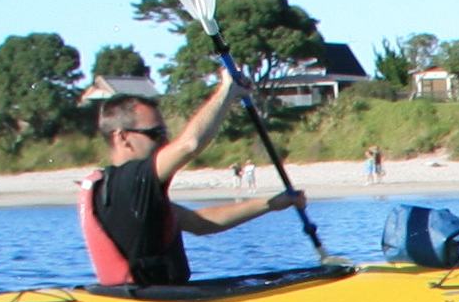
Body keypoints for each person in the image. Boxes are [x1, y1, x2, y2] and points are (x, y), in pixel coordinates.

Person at [75, 69, 300, 287]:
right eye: (156, 134)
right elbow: (189, 145)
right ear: (123, 137)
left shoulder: (126, 192)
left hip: (158, 297)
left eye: (165, 134)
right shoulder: (128, 182)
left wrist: (271, 203)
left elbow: (198, 223)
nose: (165, 143)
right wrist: (227, 90)